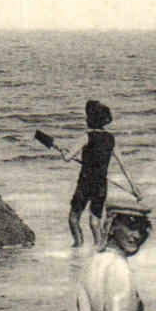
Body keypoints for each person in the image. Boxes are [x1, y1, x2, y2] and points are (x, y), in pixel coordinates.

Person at [62, 100, 119, 248]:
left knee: (74, 217)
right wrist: (135, 188)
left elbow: (67, 158)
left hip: (85, 183)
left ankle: (78, 245)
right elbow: (122, 164)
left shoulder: (86, 136)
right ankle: (99, 248)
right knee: (95, 221)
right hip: (101, 184)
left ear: (90, 119)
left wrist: (64, 151)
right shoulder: (110, 139)